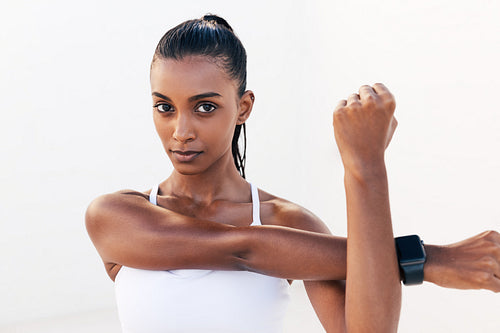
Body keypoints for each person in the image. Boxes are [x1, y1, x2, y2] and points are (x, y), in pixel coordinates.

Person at [85, 15, 500, 333]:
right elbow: (241, 249)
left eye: (205, 107)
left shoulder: (290, 224)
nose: (181, 131)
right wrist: (426, 260)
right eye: (164, 107)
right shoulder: (115, 216)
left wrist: (365, 163)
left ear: (243, 107)